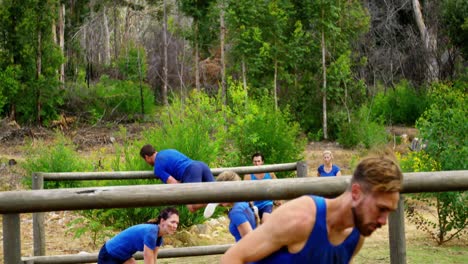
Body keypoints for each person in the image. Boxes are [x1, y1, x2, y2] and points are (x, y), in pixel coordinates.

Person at [221, 152, 403, 263]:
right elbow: (232, 258)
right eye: (381, 209)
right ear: (356, 193)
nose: (383, 221)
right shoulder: (302, 217)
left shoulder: (355, 237)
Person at [140, 144, 215, 212]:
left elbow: (174, 184)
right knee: (219, 195)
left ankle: (212, 201)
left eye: (145, 160)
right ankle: (218, 200)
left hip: (191, 171)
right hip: (201, 165)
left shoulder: (158, 167)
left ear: (147, 157)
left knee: (192, 206)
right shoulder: (169, 151)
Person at [98, 207, 179, 264]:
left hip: (123, 256)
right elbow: (148, 259)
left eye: (177, 223)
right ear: (162, 221)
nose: (175, 226)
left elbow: (153, 258)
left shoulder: (159, 236)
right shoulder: (151, 232)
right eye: (172, 222)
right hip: (109, 254)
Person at [216, 171, 258, 242]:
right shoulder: (243, 204)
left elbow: (249, 242)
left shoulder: (236, 212)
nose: (219, 196)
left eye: (223, 192)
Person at [244, 152, 281, 223]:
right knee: (254, 226)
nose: (257, 163)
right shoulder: (248, 175)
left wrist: (277, 199)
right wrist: (249, 203)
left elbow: (277, 185)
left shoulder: (269, 172)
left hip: (267, 202)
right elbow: (245, 192)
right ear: (252, 162)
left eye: (258, 161)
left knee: (266, 222)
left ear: (262, 162)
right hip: (253, 204)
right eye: (255, 161)